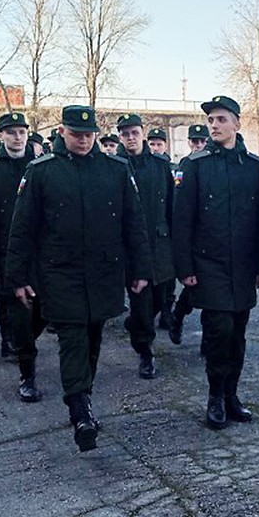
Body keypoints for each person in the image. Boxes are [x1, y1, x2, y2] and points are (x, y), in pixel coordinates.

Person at [5, 105, 153, 452]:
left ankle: (82, 394)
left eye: (89, 135)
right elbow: (22, 228)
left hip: (104, 271)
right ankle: (80, 411)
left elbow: (134, 223)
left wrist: (140, 269)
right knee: (72, 337)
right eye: (76, 134)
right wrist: (18, 277)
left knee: (93, 335)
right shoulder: (41, 171)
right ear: (62, 133)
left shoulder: (116, 169)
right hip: (60, 273)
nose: (84, 140)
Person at [172, 95, 259, 430]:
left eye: (221, 119)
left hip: (242, 267)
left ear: (237, 124)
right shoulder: (194, 165)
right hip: (208, 265)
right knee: (218, 331)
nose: (214, 125)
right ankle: (214, 396)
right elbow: (181, 221)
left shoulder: (255, 167)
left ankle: (232, 395)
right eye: (211, 120)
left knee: (238, 334)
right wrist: (184, 269)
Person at [0, 112, 45, 401]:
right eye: (11, 132)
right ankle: (27, 375)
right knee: (19, 317)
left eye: (22, 132)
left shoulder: (43, 168)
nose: (17, 137)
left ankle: (23, 344)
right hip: (10, 259)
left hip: (43, 258)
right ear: (1, 136)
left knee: (43, 313)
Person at [117, 113, 176, 379]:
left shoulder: (161, 165)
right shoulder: (116, 166)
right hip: (131, 249)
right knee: (141, 303)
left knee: (161, 299)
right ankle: (145, 351)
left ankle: (139, 327)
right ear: (120, 137)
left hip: (161, 244)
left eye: (135, 132)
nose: (131, 138)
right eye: (125, 134)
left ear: (142, 133)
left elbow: (172, 206)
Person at [165, 123, 211, 342]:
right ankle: (178, 315)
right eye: (195, 141)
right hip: (192, 238)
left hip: (210, 236)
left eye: (202, 141)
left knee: (210, 296)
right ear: (189, 143)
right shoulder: (186, 165)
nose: (198, 145)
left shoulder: (211, 163)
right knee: (193, 288)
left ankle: (208, 340)